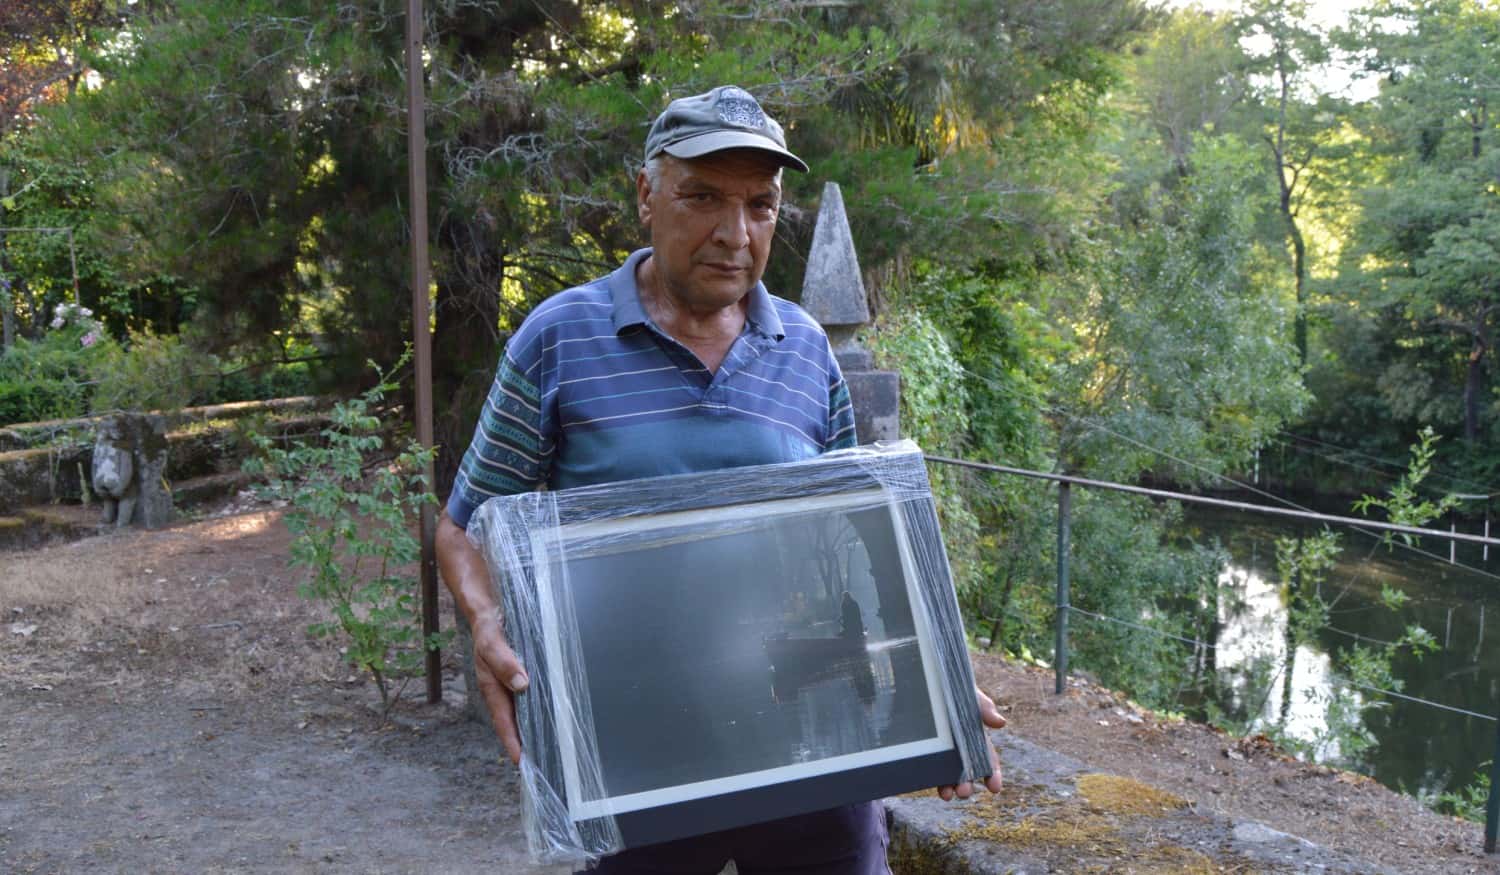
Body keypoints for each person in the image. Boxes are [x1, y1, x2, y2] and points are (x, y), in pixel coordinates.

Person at [435, 84, 1005, 875]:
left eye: (760, 206)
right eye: (703, 196)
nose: (735, 233)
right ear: (646, 194)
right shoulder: (557, 339)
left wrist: (934, 688)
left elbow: (861, 548)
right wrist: (487, 619)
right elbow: (462, 527)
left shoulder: (808, 349)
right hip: (636, 762)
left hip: (813, 749)